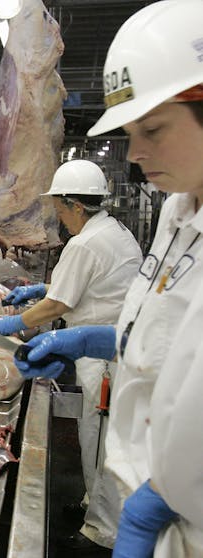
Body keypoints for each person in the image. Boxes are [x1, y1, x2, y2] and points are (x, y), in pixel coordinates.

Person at [13, 1, 203, 556]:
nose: (136, 155)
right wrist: (102, 338)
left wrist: (172, 499)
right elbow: (164, 333)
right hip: (149, 488)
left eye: (153, 129)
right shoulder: (176, 212)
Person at [0, 159, 142, 550]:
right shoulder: (113, 230)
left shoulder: (86, 242)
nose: (58, 217)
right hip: (117, 347)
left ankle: (101, 532)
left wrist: (14, 323)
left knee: (100, 440)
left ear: (75, 205)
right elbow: (82, 287)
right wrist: (40, 290)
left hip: (105, 356)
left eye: (59, 208)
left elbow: (58, 306)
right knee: (105, 440)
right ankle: (96, 506)